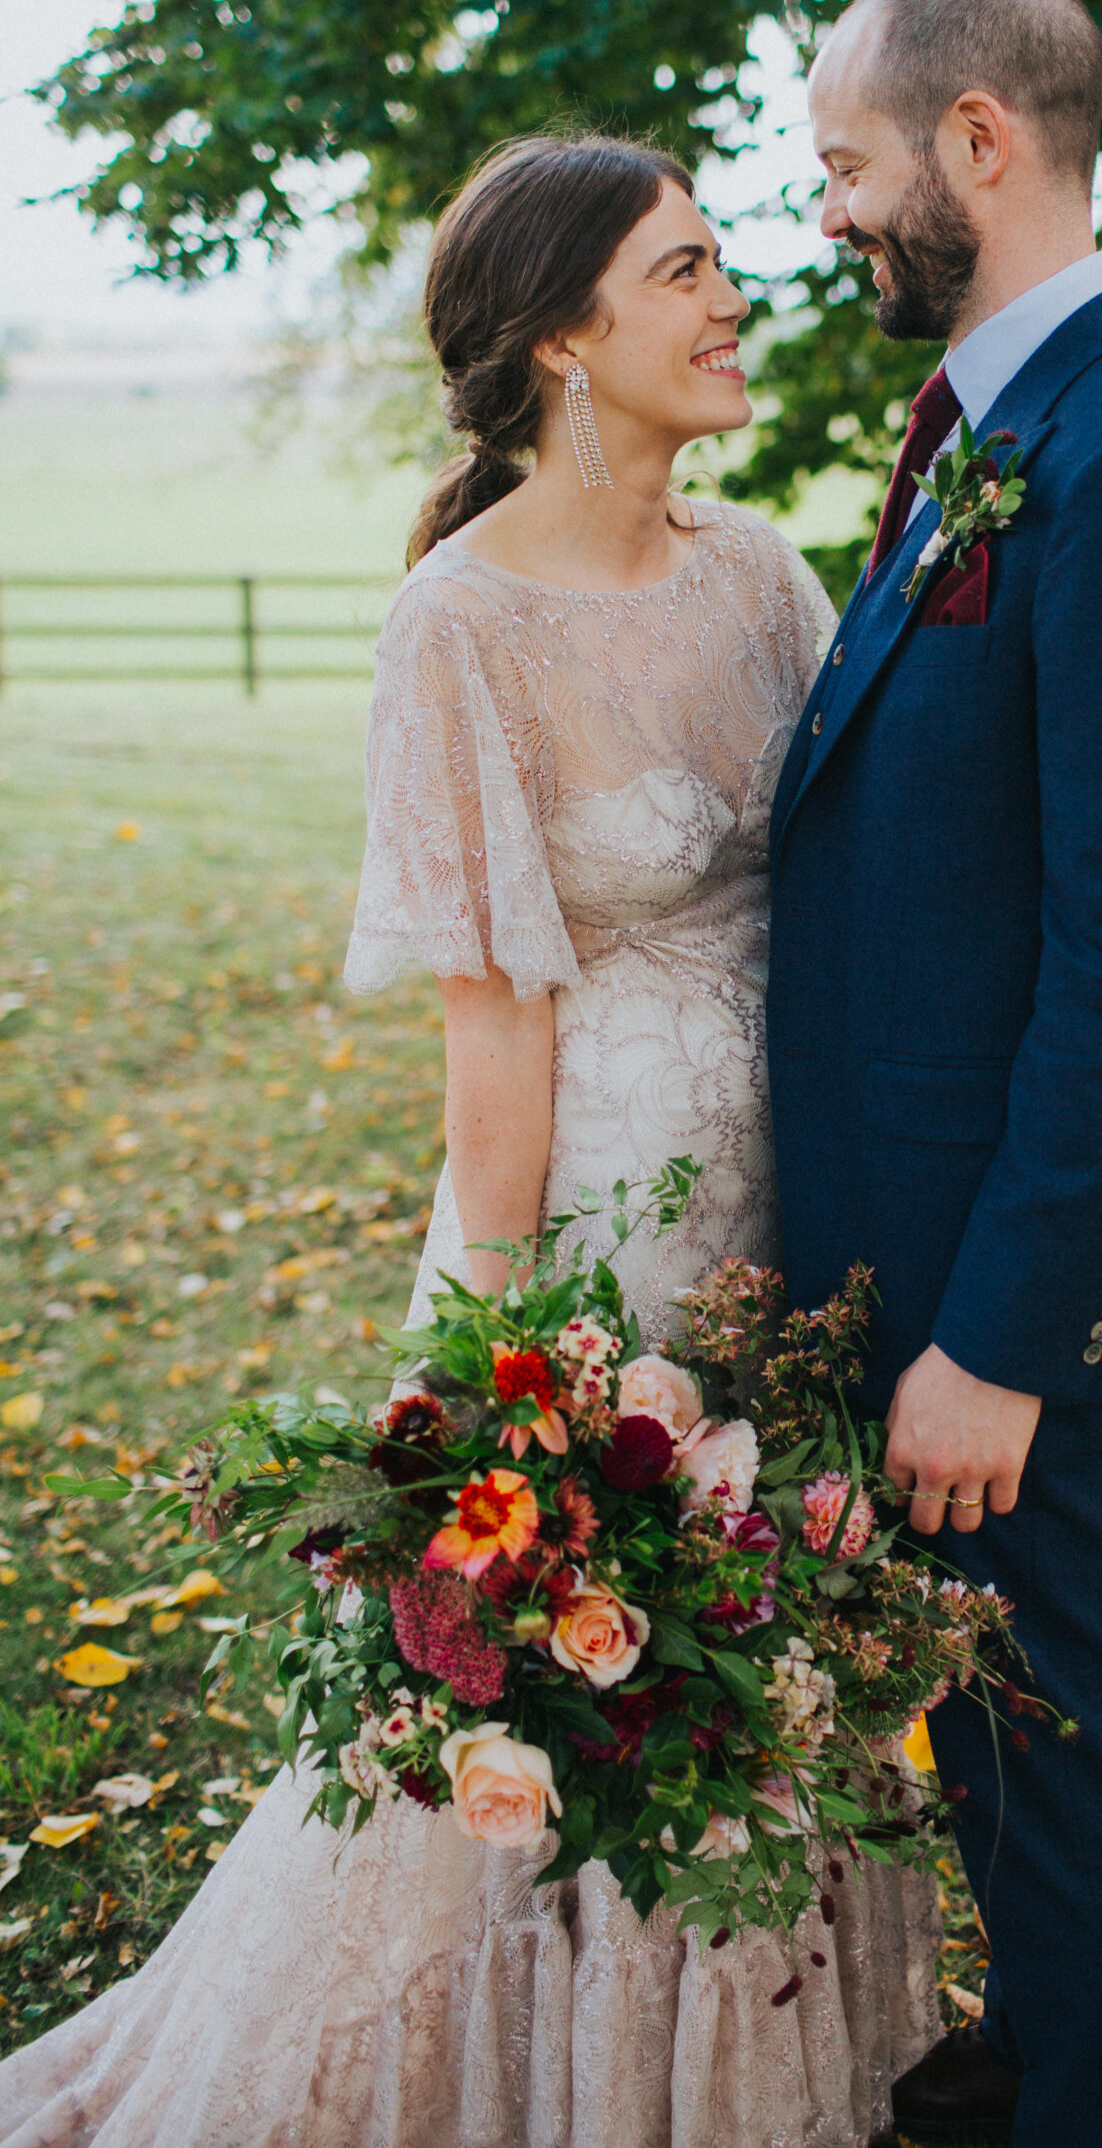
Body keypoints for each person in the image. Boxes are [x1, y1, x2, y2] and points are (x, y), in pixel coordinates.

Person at [0, 135, 940, 2148]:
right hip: (595, 1223)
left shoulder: (762, 573)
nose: (730, 298)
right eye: (683, 269)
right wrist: (502, 1374)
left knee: (766, 1650)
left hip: (797, 1204)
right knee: (580, 1661)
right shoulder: (459, 627)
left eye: (722, 260)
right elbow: (492, 1037)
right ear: (560, 339)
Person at [767, 0, 1102, 2148]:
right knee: (985, 1723)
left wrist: (998, 1339)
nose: (825, 216)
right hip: (925, 1228)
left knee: (1039, 1730)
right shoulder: (994, 431)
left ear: (977, 144)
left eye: (845, 165)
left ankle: (1092, 2102)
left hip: (1005, 1273)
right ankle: (1037, 2056)